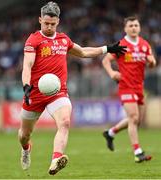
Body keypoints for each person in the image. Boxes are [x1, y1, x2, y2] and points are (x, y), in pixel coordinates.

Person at [18, 1, 126, 175]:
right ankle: (26, 149)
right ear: (40, 20)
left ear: (58, 22)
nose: (49, 27)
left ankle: (56, 159)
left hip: (57, 92)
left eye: (53, 24)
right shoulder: (34, 40)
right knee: (24, 134)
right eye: (46, 23)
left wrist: (107, 48)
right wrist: (26, 85)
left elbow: (83, 52)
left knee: (65, 122)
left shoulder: (63, 39)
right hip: (34, 93)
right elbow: (27, 65)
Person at [102, 16, 156, 163]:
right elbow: (105, 60)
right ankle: (138, 152)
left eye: (136, 25)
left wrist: (151, 62)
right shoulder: (121, 44)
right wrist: (112, 73)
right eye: (130, 25)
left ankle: (110, 132)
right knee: (134, 118)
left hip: (139, 86)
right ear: (125, 28)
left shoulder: (145, 45)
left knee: (136, 120)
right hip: (126, 86)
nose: (133, 28)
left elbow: (152, 62)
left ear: (139, 27)